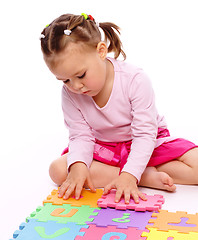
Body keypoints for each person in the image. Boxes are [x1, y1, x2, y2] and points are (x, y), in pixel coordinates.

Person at [40, 13, 198, 204]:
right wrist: (79, 166)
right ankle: (144, 177)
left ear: (101, 51)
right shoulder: (70, 94)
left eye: (81, 75)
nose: (75, 86)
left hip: (144, 141)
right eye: (65, 80)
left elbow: (145, 133)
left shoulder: (134, 80)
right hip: (104, 148)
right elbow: (80, 135)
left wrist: (131, 173)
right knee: (57, 170)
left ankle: (133, 173)